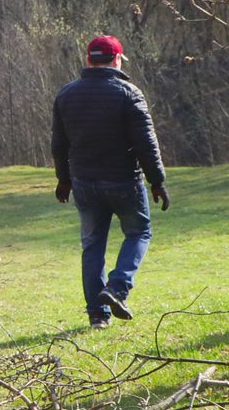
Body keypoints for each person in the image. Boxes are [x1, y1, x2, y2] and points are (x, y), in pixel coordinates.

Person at [51, 34, 171, 329]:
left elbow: (59, 144)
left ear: (88, 60)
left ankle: (97, 316)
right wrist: (157, 181)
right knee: (139, 233)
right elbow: (146, 143)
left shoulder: (66, 94)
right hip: (123, 182)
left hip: (84, 182)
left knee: (92, 247)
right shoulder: (129, 93)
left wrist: (64, 180)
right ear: (117, 60)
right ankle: (117, 288)